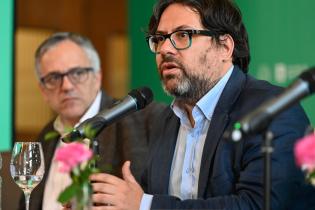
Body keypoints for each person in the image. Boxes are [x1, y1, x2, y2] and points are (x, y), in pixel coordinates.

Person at [83, 0, 315, 210]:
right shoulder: (168, 119)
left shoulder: (271, 110)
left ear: (224, 47)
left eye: (183, 35)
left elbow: (257, 205)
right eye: (159, 38)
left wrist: (145, 204)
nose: (165, 49)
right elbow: (145, 198)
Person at [17, 32, 164, 210]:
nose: (67, 86)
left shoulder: (148, 121)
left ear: (98, 76)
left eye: (77, 73)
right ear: (43, 91)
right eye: (54, 78)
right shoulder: (44, 138)